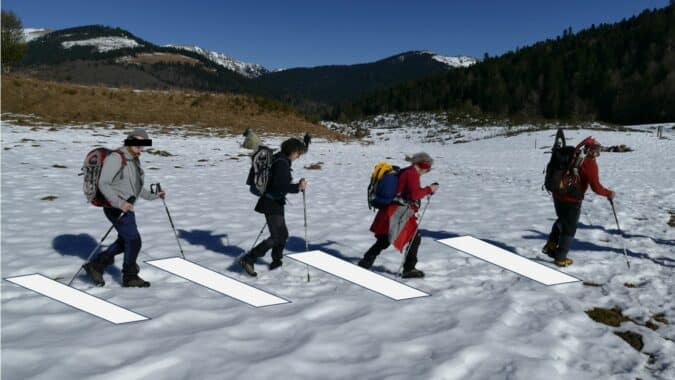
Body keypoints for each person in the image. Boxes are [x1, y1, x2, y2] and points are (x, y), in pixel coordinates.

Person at [82, 128, 166, 287]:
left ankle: (96, 265)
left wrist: (155, 196)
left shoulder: (133, 159)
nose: (140, 146)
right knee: (134, 241)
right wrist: (120, 203)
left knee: (124, 241)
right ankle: (130, 276)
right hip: (116, 207)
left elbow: (136, 188)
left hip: (126, 207)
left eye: (143, 143)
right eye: (137, 141)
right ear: (129, 139)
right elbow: (103, 183)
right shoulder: (116, 158)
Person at [358, 153, 439, 278]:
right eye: (428, 168)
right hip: (399, 212)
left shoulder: (406, 171)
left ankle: (367, 260)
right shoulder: (412, 173)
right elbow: (414, 195)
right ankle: (409, 269)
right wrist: (429, 189)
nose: (427, 171)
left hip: (391, 210)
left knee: (385, 239)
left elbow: (409, 192)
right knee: (414, 238)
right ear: (423, 165)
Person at [542, 136, 615, 267]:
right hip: (572, 198)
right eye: (596, 149)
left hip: (557, 193)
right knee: (569, 228)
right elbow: (596, 187)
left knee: (562, 219)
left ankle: (551, 245)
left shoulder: (573, 155)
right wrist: (609, 193)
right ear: (590, 149)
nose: (598, 153)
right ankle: (560, 258)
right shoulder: (589, 163)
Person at [239, 138, 307, 276]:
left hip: (274, 202)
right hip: (271, 203)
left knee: (282, 235)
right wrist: (298, 187)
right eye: (298, 153)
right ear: (293, 151)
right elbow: (279, 186)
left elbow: (277, 183)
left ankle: (276, 261)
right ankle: (249, 258)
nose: (299, 156)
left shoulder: (280, 159)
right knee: (277, 236)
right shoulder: (281, 163)